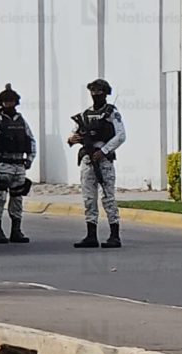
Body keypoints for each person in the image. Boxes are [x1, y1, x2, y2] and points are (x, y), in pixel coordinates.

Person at [67, 78, 126, 248]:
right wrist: (73, 139)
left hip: (104, 159)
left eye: (99, 91)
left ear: (105, 93)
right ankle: (91, 235)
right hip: (87, 158)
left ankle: (114, 235)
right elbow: (72, 135)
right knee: (88, 198)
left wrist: (104, 151)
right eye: (93, 91)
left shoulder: (111, 112)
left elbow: (121, 136)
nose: (96, 94)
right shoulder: (85, 115)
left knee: (108, 197)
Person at [0, 83, 35, 244]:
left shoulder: (21, 120)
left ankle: (16, 230)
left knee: (17, 198)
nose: (9, 104)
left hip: (18, 164)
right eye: (6, 101)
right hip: (2, 163)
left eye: (12, 101)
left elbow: (30, 140)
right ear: (1, 103)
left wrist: (29, 159)